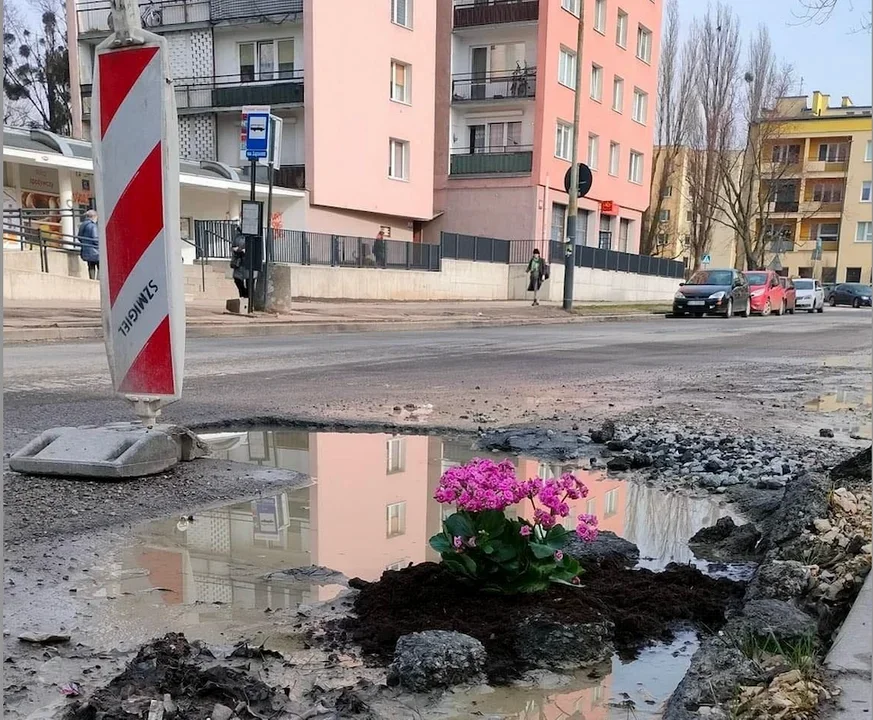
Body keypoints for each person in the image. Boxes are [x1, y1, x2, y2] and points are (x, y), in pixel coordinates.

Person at [78, 209, 99, 280]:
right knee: (100, 266)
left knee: (91, 265)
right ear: (94, 217)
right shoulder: (93, 226)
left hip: (86, 249)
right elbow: (95, 238)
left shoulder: (82, 225)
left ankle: (92, 279)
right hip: (95, 250)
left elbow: (79, 237)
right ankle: (98, 280)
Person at [230, 223, 248, 298]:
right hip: (238, 261)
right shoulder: (237, 236)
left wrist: (243, 250)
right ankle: (242, 295)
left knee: (249, 282)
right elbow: (233, 246)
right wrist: (235, 249)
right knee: (237, 279)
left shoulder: (251, 236)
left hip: (247, 262)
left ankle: (248, 299)